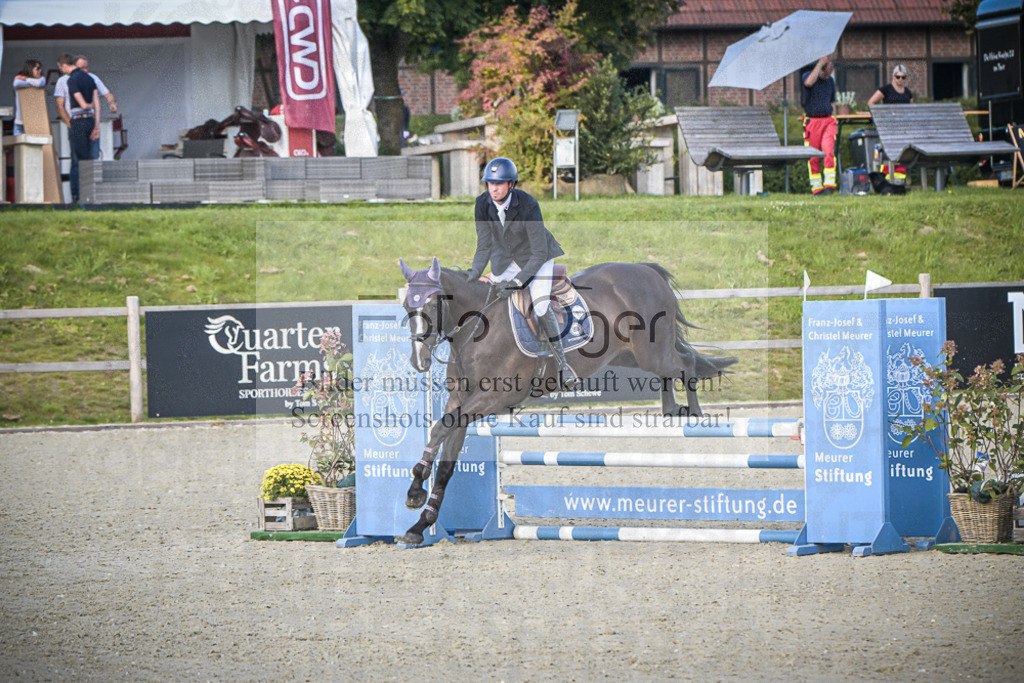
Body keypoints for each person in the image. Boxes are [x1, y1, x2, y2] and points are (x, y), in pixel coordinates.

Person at [464, 157, 581, 390]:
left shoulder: (528, 204)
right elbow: (484, 246)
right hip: (507, 260)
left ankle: (562, 365)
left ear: (511, 184)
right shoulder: (482, 203)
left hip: (538, 258)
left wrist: (518, 282)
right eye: (490, 183)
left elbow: (538, 252)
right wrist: (473, 273)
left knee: (540, 305)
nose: (493, 189)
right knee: (489, 296)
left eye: (499, 184)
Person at [55, 53, 100, 202]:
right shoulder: (90, 78)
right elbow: (97, 104)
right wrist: (97, 126)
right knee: (90, 159)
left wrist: (87, 105)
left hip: (79, 120)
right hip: (91, 120)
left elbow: (83, 104)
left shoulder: (72, 80)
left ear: (64, 66)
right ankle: (91, 194)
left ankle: (79, 196)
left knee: (80, 161)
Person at [868, 64, 913, 183]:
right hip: (889, 128)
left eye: (903, 77)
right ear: (893, 76)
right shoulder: (886, 89)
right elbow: (871, 102)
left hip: (903, 128)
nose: (900, 79)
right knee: (889, 154)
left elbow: (912, 109)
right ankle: (887, 179)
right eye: (898, 77)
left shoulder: (908, 93)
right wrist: (882, 116)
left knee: (903, 153)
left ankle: (900, 180)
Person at [801, 56, 838, 195]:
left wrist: (835, 120)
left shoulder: (831, 81)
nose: (828, 76)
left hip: (828, 120)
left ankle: (829, 185)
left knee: (828, 152)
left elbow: (832, 102)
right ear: (820, 68)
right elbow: (808, 83)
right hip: (812, 122)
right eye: (826, 72)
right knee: (813, 156)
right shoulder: (807, 76)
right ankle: (817, 188)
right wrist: (820, 64)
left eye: (830, 72)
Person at [12, 59, 45, 136]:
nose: (40, 70)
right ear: (30, 69)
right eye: (37, 68)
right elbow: (16, 83)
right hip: (20, 123)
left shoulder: (41, 79)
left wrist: (25, 79)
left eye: (40, 68)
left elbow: (40, 83)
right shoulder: (19, 81)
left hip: (34, 123)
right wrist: (32, 83)